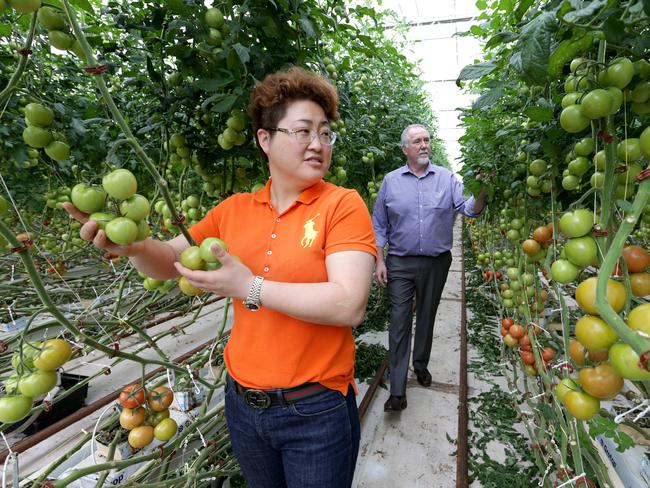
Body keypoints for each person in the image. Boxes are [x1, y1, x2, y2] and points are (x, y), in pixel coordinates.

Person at [65, 67, 376, 487]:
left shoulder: (342, 205)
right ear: (265, 139)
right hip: (243, 404)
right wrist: (134, 247)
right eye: (303, 131)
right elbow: (170, 259)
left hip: (315, 410)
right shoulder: (233, 210)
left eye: (325, 133)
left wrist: (249, 287)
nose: (318, 144)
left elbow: (348, 303)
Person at [372, 123, 486, 412]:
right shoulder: (391, 181)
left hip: (436, 262)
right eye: (417, 141)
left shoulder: (447, 178)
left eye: (426, 139)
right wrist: (379, 260)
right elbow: (379, 225)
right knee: (399, 321)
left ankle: (420, 364)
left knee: (426, 316)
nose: (424, 145)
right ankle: (397, 390)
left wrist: (484, 187)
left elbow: (470, 209)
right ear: (405, 149)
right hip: (400, 262)